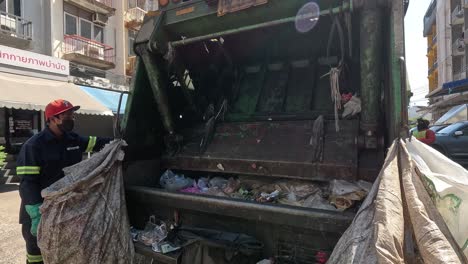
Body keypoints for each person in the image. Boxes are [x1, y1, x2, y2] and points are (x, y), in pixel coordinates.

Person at [17, 99, 111, 264]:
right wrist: (36, 213)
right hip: (40, 209)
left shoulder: (72, 139)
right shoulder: (34, 146)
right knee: (36, 252)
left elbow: (98, 143)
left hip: (64, 209)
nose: (71, 118)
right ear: (52, 119)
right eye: (66, 115)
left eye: (72, 114)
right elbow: (27, 183)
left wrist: (118, 141)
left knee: (62, 251)